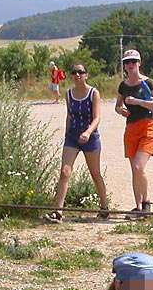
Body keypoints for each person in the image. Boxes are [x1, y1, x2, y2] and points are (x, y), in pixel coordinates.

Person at [45, 62, 110, 222]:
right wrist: (67, 133)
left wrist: (88, 132)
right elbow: (69, 115)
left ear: (86, 75)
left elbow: (97, 117)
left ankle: (104, 207)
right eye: (74, 72)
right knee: (65, 172)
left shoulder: (93, 93)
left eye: (80, 72)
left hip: (90, 137)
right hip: (73, 137)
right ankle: (58, 211)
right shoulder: (69, 93)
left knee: (95, 173)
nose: (77, 75)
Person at [114, 50, 153, 219]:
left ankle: (146, 204)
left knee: (138, 166)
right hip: (131, 128)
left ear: (139, 63)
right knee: (134, 170)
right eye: (127, 62)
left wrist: (138, 102)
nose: (130, 65)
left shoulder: (148, 83)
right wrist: (121, 110)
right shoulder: (123, 86)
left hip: (148, 125)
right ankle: (138, 207)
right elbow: (117, 106)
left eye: (133, 61)